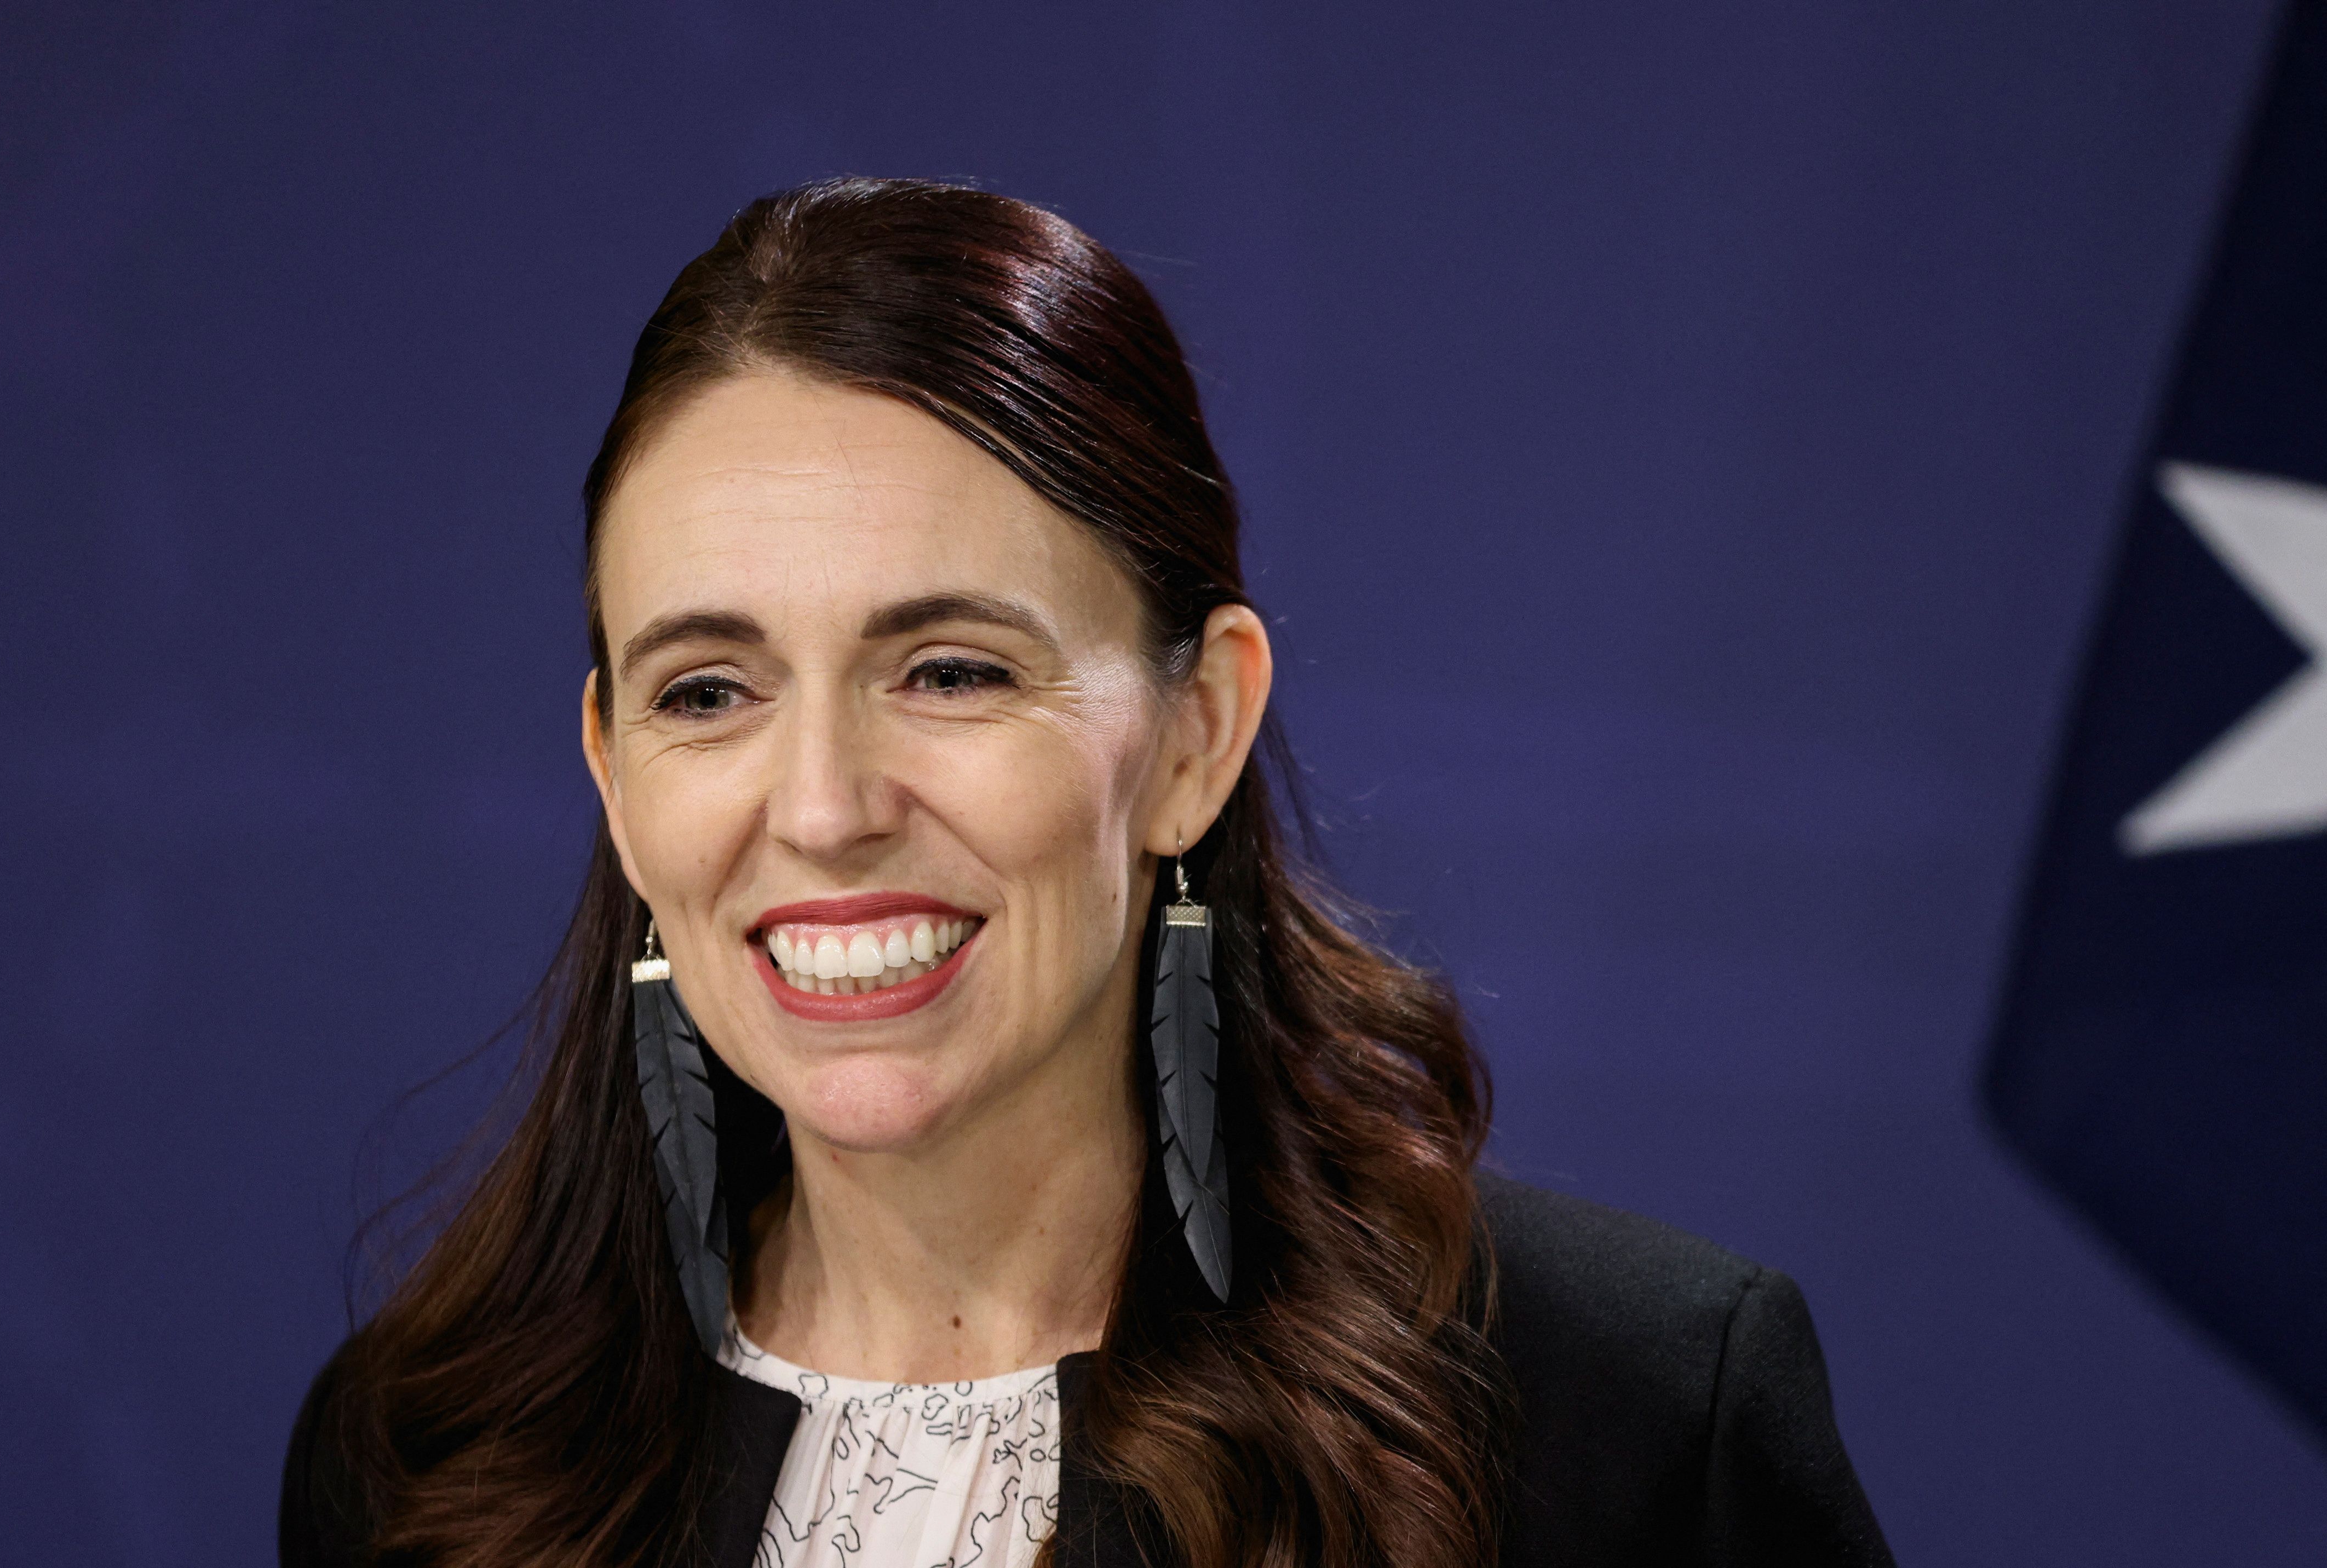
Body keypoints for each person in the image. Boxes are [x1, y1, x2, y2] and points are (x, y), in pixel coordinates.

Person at [280, 177, 1892, 1568]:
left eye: (953, 671)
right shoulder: (423, 1460)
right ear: (616, 778)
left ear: (1198, 731)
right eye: (710, 692)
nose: (828, 806)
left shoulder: (1625, 1417)